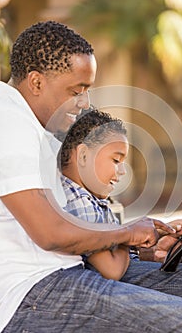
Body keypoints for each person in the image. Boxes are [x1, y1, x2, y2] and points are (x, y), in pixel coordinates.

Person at [0, 20, 182, 333]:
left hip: (67, 268)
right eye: (75, 90)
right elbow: (50, 233)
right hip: (32, 293)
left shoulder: (39, 126)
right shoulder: (10, 123)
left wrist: (142, 244)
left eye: (87, 90)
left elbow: (73, 225)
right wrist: (127, 234)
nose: (84, 103)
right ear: (37, 82)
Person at [59, 108, 134, 280]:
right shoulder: (78, 201)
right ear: (84, 156)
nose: (122, 171)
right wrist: (129, 236)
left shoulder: (91, 198)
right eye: (116, 160)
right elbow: (112, 270)